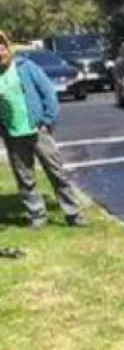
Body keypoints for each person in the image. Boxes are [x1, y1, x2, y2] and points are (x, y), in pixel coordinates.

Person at [0, 31, 85, 229]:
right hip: (13, 133)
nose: (0, 52)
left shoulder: (25, 67)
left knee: (57, 172)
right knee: (25, 178)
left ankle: (73, 214)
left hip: (37, 129)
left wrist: (48, 120)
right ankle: (36, 216)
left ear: (7, 48)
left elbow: (48, 93)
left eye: (2, 48)